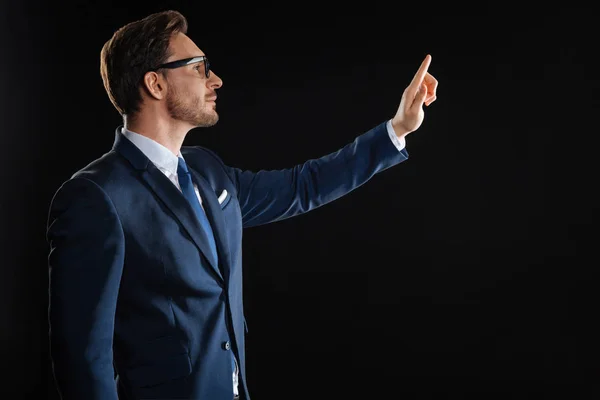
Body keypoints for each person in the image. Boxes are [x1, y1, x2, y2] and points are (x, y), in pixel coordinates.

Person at [45, 9, 438, 400]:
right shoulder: (95, 197)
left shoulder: (207, 170)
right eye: (199, 68)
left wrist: (398, 128)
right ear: (155, 84)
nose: (215, 80)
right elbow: (83, 357)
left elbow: (302, 187)